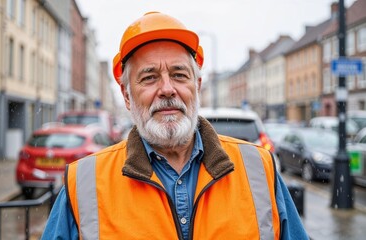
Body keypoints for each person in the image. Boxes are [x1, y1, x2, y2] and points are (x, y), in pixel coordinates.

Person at [41, 11, 309, 240]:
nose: (167, 89)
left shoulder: (259, 168)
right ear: (126, 96)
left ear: (197, 87)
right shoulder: (85, 183)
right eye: (149, 77)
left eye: (180, 75)